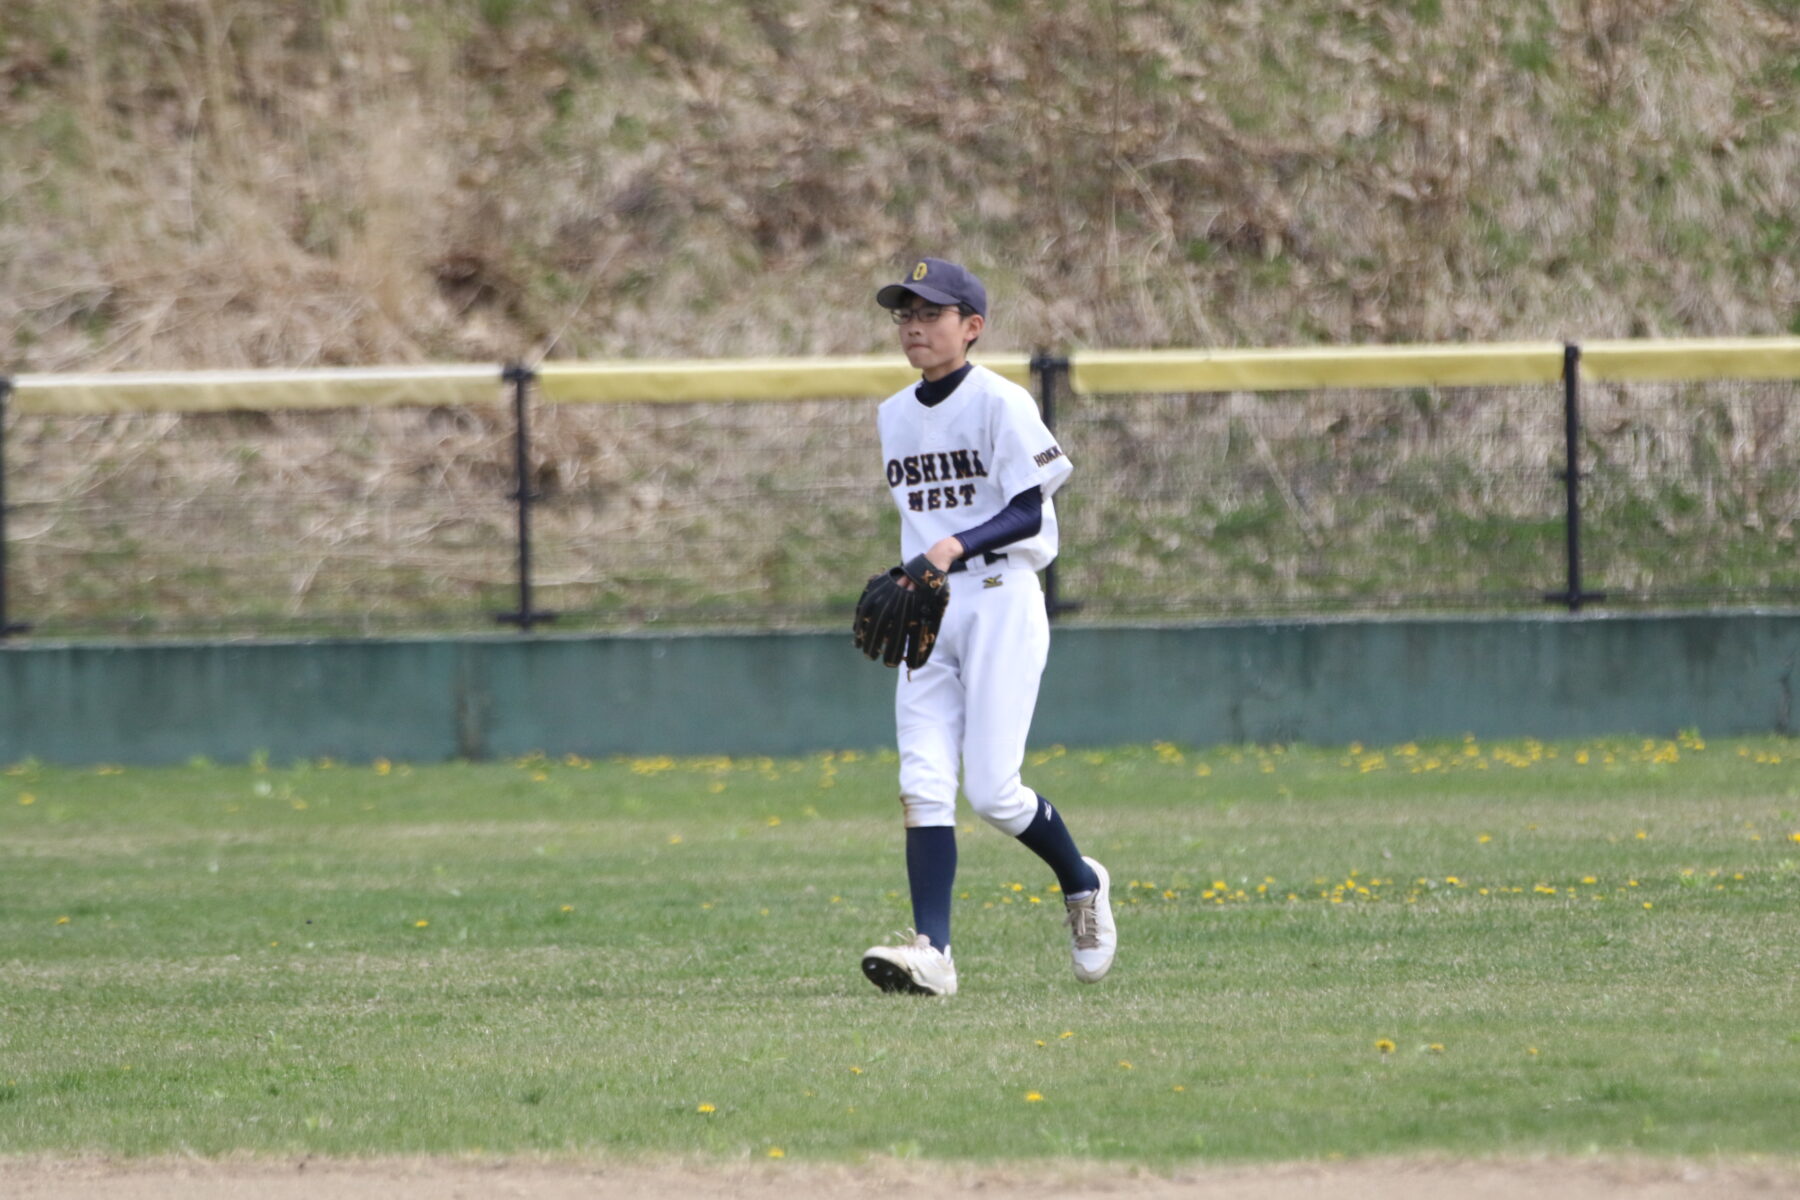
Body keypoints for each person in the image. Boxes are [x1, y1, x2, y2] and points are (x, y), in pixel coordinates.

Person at [858, 257, 1117, 997]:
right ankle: (932, 954)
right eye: (905, 313)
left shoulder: (1002, 404)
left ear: (971, 328)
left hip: (1002, 595)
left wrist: (951, 546)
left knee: (995, 793)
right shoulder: (893, 414)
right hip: (931, 604)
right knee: (923, 781)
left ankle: (1082, 883)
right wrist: (920, 567)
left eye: (931, 313)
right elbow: (926, 516)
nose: (914, 325)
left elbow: (1028, 510)